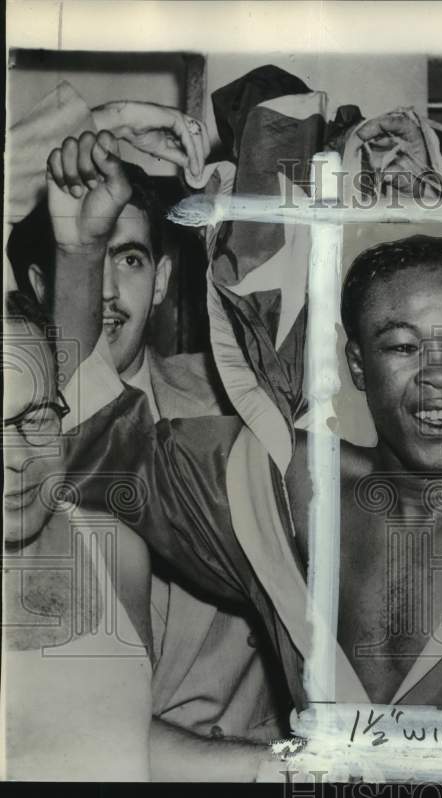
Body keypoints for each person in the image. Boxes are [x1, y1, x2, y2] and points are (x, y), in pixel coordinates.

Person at [32, 129, 282, 781]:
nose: (111, 292)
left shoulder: (236, 395)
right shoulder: (23, 440)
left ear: (165, 276)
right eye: (97, 262)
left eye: (133, 260)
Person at [2, 288, 153, 781]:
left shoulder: (119, 552)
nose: (21, 457)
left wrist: (272, 761)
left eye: (38, 417)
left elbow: (124, 737)